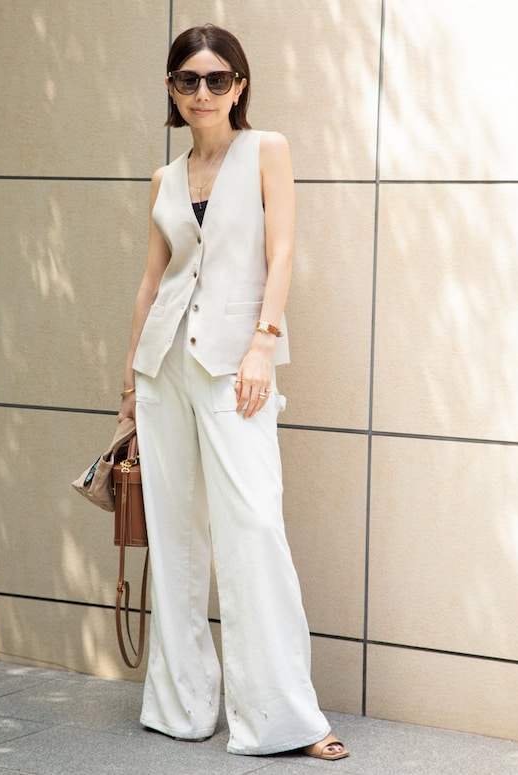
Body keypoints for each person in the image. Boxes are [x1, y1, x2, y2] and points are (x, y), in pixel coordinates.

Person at [118, 23, 349, 762]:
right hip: (163, 369)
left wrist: (263, 343)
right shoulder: (164, 179)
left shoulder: (266, 151)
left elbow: (282, 252)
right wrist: (128, 388)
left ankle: (284, 720)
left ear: (239, 85)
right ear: (171, 88)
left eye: (218, 79)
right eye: (188, 80)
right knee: (176, 540)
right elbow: (151, 283)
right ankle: (180, 707)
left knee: (252, 530)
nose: (203, 91)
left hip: (236, 365)